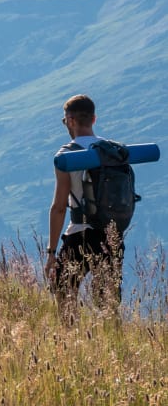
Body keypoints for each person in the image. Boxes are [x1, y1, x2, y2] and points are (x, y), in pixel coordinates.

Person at [45, 94, 124, 320]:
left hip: (80, 232)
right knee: (108, 301)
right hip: (112, 234)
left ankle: (71, 338)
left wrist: (51, 252)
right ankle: (113, 347)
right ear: (94, 119)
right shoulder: (113, 151)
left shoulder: (67, 155)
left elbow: (59, 207)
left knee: (62, 289)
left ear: (70, 121)